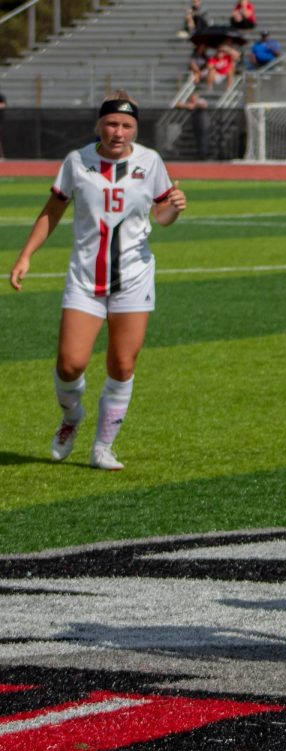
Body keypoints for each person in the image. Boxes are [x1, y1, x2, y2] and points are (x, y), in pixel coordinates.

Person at [8, 92, 186, 470]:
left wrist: (173, 209)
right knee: (70, 365)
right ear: (98, 126)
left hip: (135, 278)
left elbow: (163, 217)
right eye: (111, 124)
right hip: (85, 278)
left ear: (135, 129)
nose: (118, 132)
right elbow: (51, 212)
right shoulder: (77, 162)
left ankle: (103, 446)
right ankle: (71, 417)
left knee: (122, 365)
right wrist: (25, 256)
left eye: (126, 126)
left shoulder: (150, 161)